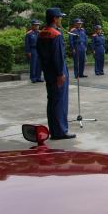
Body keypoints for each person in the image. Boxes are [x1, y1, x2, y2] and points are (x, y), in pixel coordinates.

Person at [36, 7, 75, 140]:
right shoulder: (55, 34)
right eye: (60, 17)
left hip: (48, 71)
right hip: (58, 71)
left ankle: (53, 129)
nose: (61, 19)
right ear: (54, 19)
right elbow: (58, 55)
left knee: (52, 100)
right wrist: (60, 73)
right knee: (60, 101)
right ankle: (60, 131)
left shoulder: (42, 33)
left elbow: (40, 53)